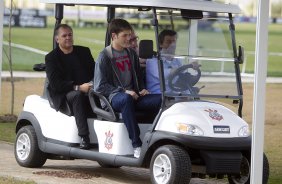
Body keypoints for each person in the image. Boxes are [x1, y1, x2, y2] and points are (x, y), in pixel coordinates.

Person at [94, 18, 161, 158]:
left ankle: (157, 140)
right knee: (126, 99)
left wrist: (142, 88)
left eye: (129, 35)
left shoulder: (131, 54)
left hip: (134, 96)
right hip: (114, 99)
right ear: (114, 36)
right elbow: (100, 87)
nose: (129, 38)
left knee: (162, 99)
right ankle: (137, 145)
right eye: (125, 35)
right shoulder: (104, 56)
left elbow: (138, 77)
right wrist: (124, 91)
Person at [45, 24, 95, 150]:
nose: (68, 38)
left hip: (88, 88)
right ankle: (84, 136)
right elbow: (56, 85)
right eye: (64, 35)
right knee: (77, 96)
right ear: (57, 39)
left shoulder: (84, 51)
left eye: (70, 35)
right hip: (65, 93)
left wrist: (93, 83)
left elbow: (95, 72)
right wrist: (78, 87)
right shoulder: (51, 58)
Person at [146, 29, 199, 94]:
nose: (172, 45)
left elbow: (183, 78)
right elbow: (162, 74)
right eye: (168, 42)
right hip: (158, 95)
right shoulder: (153, 60)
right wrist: (178, 69)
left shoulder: (177, 60)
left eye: (174, 41)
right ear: (160, 44)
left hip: (174, 95)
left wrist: (192, 66)